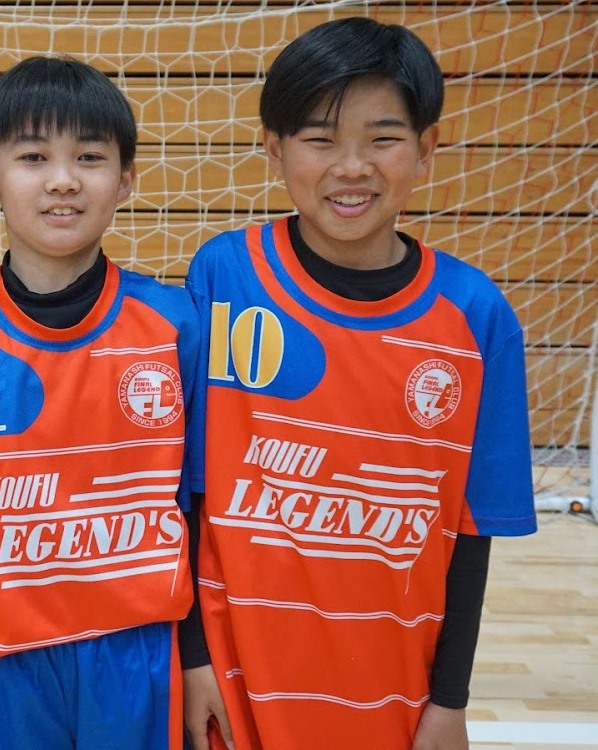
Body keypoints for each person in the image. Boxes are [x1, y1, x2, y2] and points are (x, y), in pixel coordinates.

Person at [182, 17, 538, 750]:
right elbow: (185, 492)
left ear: (427, 148)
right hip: (235, 680)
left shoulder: (476, 316)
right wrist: (191, 659)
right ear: (274, 148)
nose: (351, 167)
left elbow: (473, 534)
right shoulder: (225, 274)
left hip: (391, 689)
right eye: (320, 139)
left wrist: (450, 701)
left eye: (382, 138)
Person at [0, 55, 200, 749]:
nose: (62, 180)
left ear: (126, 178)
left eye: (89, 156)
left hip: (137, 655)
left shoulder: (175, 325)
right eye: (32, 157)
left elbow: (197, 511)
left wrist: (197, 659)